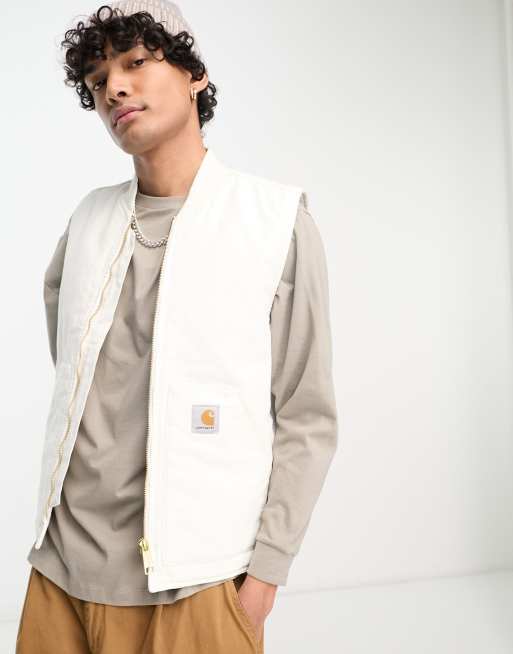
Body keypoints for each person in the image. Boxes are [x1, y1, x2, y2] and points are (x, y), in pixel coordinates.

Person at [16, 1, 338, 652]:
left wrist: (264, 575)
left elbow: (305, 415)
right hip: (60, 572)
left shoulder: (271, 220)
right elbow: (75, 372)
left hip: (197, 582)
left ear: (195, 74)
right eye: (98, 80)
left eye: (136, 62)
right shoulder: (87, 222)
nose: (115, 88)